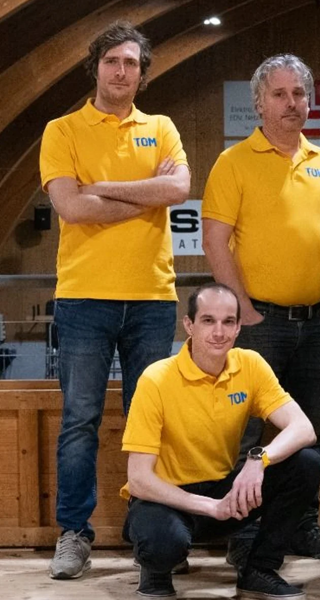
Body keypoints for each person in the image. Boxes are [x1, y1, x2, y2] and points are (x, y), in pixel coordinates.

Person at [39, 21, 191, 580]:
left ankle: (146, 529)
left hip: (152, 297)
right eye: (112, 62)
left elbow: (177, 190)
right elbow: (72, 209)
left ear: (142, 74)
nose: (121, 71)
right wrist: (142, 195)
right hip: (84, 299)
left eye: (131, 63)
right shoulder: (63, 130)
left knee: (148, 420)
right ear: (95, 68)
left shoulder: (163, 127)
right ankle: (74, 534)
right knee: (79, 420)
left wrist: (102, 186)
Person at [202, 53, 320, 563]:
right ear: (259, 103)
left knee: (309, 432)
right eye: (280, 94)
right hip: (259, 324)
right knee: (246, 430)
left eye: (299, 94)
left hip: (316, 323)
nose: (292, 104)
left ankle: (300, 527)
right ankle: (244, 535)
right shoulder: (233, 162)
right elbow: (216, 242)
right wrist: (243, 310)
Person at [122, 283, 320, 600]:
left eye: (228, 321)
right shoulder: (155, 379)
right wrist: (210, 507)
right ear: (189, 325)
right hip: (166, 498)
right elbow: (139, 480)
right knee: (163, 545)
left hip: (223, 491)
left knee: (307, 462)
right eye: (208, 320)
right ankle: (156, 570)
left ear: (239, 327)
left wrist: (258, 459)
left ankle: (259, 569)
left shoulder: (250, 365)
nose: (219, 331)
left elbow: (303, 428)